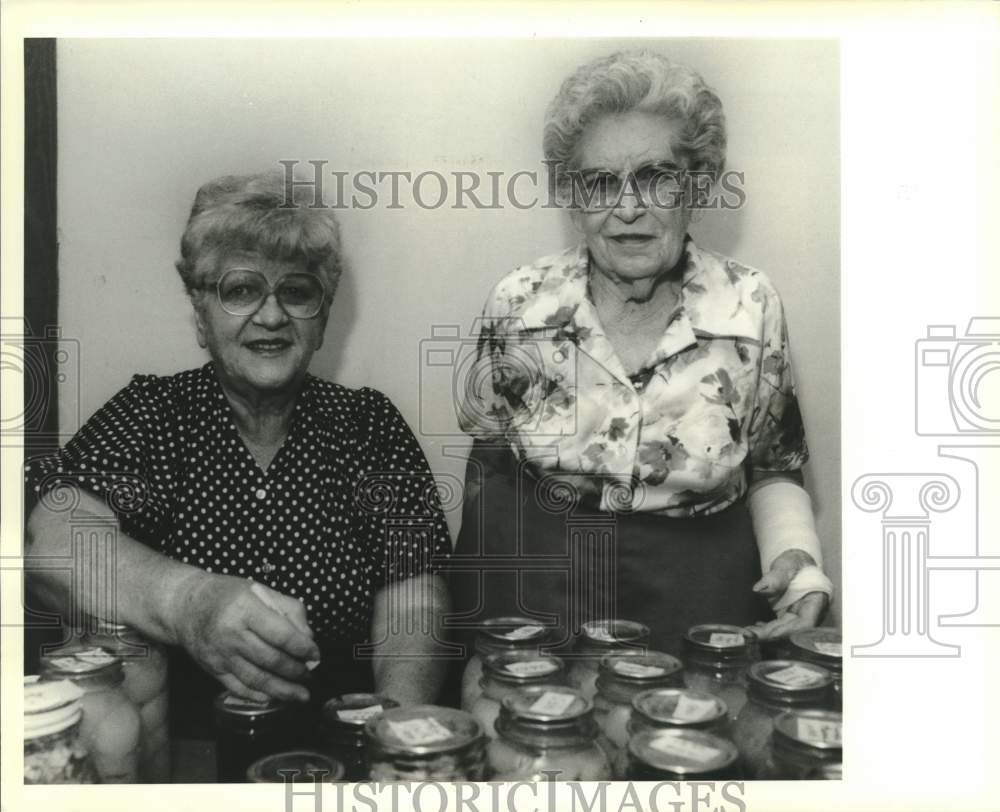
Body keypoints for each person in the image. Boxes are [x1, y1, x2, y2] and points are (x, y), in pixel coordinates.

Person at [24, 171, 452, 733]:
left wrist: (393, 729)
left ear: (322, 319)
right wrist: (192, 602)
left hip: (341, 741)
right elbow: (52, 545)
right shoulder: (154, 415)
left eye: (296, 291)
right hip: (179, 747)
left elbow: (413, 591)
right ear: (201, 313)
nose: (271, 316)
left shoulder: (366, 425)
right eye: (240, 290)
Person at [448, 50, 834, 657]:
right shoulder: (519, 303)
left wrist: (800, 565)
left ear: (698, 186)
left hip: (702, 603)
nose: (628, 208)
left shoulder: (751, 304)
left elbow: (773, 466)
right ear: (571, 196)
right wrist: (475, 638)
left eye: (656, 177)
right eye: (601, 182)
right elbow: (488, 472)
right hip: (542, 599)